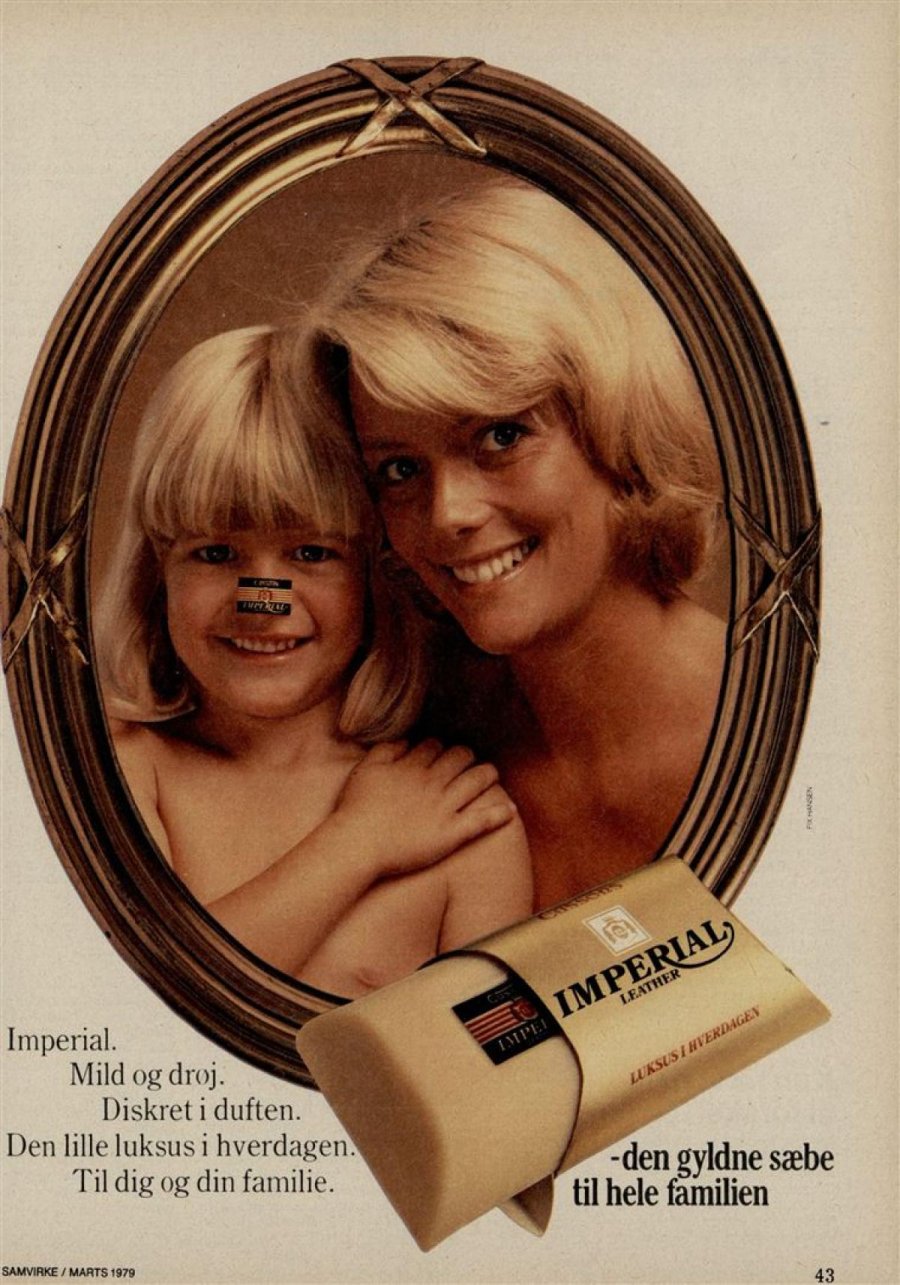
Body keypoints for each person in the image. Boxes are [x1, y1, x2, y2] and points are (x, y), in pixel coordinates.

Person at [308, 175, 726, 910]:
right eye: (399, 470)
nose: (447, 514)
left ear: (617, 423)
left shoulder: (796, 724)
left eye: (501, 435)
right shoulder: (420, 746)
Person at [94, 326, 530, 997]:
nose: (262, 603)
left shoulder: (460, 815)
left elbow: (495, 1053)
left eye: (311, 553)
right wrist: (357, 844)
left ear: (377, 576)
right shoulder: (119, 771)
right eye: (215, 553)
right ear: (158, 574)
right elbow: (142, 1001)